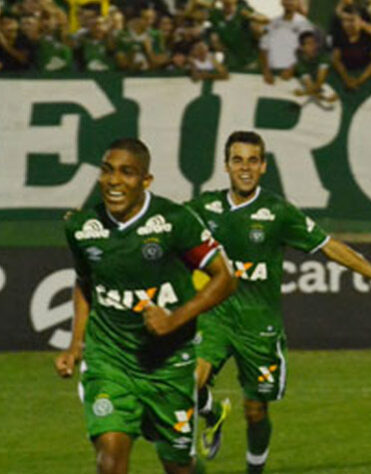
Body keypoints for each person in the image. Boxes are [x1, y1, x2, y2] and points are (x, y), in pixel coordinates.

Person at [187, 131, 371, 474]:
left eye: (252, 160)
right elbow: (161, 223)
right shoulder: (203, 207)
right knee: (188, 383)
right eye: (237, 160)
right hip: (214, 317)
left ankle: (255, 469)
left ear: (263, 166)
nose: (245, 167)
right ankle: (211, 412)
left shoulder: (278, 212)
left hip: (259, 326)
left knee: (255, 411)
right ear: (226, 165)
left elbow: (329, 246)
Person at [54, 138, 237, 474]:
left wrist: (174, 319)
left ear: (145, 180)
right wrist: (76, 343)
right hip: (110, 361)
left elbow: (224, 278)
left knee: (178, 466)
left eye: (127, 172)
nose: (114, 181)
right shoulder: (81, 228)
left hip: (168, 365)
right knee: (110, 462)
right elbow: (84, 283)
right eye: (108, 171)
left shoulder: (175, 221)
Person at [260, 0, 314, 84]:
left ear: (298, 3)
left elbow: (308, 51)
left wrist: (292, 68)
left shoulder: (305, 25)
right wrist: (266, 71)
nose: (289, 2)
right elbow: (264, 47)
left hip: (295, 74)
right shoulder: (273, 23)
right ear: (281, 2)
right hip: (272, 72)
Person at [332, 6, 371, 91]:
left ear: (360, 21)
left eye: (351, 20)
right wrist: (347, 79)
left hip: (368, 79)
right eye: (344, 20)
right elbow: (336, 60)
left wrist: (359, 81)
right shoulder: (338, 35)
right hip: (347, 77)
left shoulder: (368, 36)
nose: (347, 24)